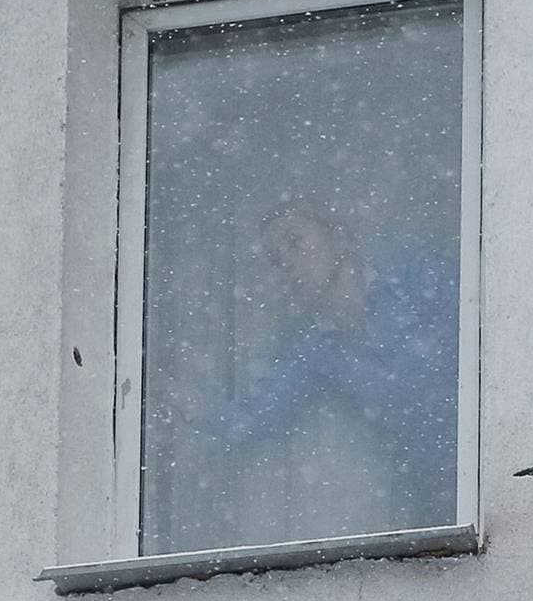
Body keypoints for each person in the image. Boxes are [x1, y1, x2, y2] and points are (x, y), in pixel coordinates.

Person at [192, 200, 459, 527]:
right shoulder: (317, 349)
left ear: (341, 238)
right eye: (275, 259)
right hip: (441, 501)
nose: (287, 262)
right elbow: (259, 414)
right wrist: (189, 404)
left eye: (294, 242)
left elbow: (492, 327)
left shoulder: (420, 279)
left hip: (494, 459)